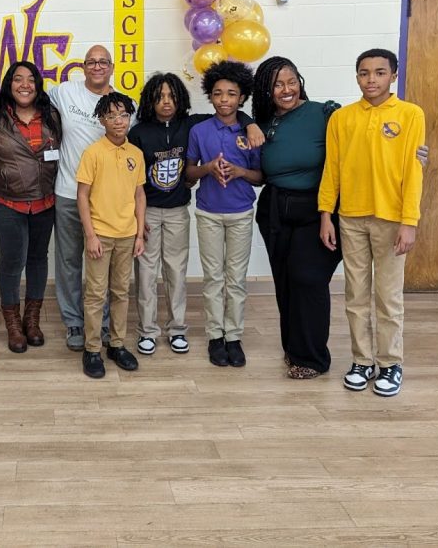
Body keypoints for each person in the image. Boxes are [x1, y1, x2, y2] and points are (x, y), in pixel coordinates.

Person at [128, 73, 264, 357]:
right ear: (150, 100)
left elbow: (231, 112)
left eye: (172, 96)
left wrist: (250, 123)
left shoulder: (192, 124)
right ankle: (148, 331)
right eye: (159, 96)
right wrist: (136, 218)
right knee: (147, 273)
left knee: (176, 272)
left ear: (181, 99)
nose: (166, 102)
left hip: (179, 210)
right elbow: (133, 180)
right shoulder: (138, 132)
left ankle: (177, 329)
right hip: (148, 212)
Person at [319, 48, 425, 397]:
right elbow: (331, 169)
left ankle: (390, 363)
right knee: (356, 294)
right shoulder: (342, 118)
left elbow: (414, 172)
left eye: (380, 73)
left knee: (388, 297)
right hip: (350, 217)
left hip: (392, 219)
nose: (371, 80)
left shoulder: (410, 115)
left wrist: (409, 222)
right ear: (356, 76)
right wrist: (326, 214)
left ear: (393, 76)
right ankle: (362, 361)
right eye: (364, 73)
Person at [251, 56, 343, 380]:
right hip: (275, 209)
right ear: (266, 90)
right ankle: (293, 349)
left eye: (291, 81)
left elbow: (361, 139)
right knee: (286, 282)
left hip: (318, 210)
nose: (286, 89)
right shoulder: (263, 123)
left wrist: (412, 150)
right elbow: (261, 173)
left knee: (307, 278)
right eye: (278, 84)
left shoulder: (323, 113)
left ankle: (313, 358)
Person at [0, 61, 61, 353]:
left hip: (45, 202)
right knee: (12, 262)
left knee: (38, 259)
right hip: (7, 203)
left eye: (30, 79)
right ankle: (12, 324)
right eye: (17, 79)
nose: (24, 85)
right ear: (8, 84)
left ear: (37, 84)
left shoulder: (51, 114)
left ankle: (32, 320)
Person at [186, 62, 262, 369]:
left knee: (236, 279)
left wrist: (241, 171)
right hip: (208, 213)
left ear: (242, 97)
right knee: (213, 278)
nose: (224, 99)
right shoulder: (199, 130)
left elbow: (260, 176)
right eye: (218, 93)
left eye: (231, 94)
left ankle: (234, 336)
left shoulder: (250, 130)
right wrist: (208, 168)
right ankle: (215, 336)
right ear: (210, 96)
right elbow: (189, 173)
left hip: (241, 213)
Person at [47, 45, 117, 351]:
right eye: (92, 62)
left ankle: (100, 322)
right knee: (69, 262)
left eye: (103, 62)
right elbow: (24, 97)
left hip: (106, 200)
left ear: (111, 67)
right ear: (84, 67)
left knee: (100, 265)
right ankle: (74, 322)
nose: (97, 66)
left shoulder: (123, 104)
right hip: (67, 193)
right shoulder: (65, 92)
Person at [76, 91, 146, 378]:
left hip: (127, 235)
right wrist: (90, 235)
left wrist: (139, 234)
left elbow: (139, 194)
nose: (118, 121)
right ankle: (92, 349)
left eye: (123, 115)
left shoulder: (136, 154)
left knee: (120, 292)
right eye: (111, 116)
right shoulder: (93, 153)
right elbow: (82, 196)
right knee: (95, 294)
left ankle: (116, 344)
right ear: (102, 120)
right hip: (100, 235)